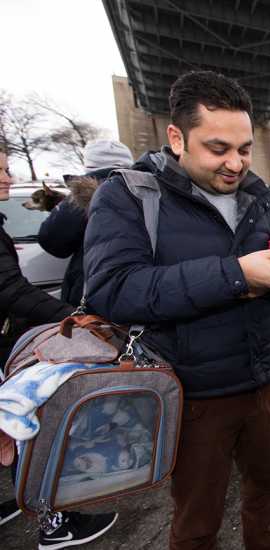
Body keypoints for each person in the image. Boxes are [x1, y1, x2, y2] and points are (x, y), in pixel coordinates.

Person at [83, 71, 270, 550]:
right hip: (194, 395)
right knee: (197, 519)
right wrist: (236, 275)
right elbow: (112, 289)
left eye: (244, 148)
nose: (236, 163)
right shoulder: (128, 194)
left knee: (267, 496)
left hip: (265, 382)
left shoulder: (257, 194)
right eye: (218, 148)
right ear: (177, 137)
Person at [0, 149, 119, 548]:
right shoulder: (119, 192)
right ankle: (53, 519)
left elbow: (51, 242)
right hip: (82, 313)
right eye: (1, 170)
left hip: (69, 310)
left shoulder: (86, 196)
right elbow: (10, 289)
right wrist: (73, 315)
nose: (8, 177)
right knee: (37, 421)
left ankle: (38, 504)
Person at [38, 139, 134, 306]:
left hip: (92, 294)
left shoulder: (82, 195)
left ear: (89, 165)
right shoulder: (147, 190)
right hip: (140, 292)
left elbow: (52, 241)